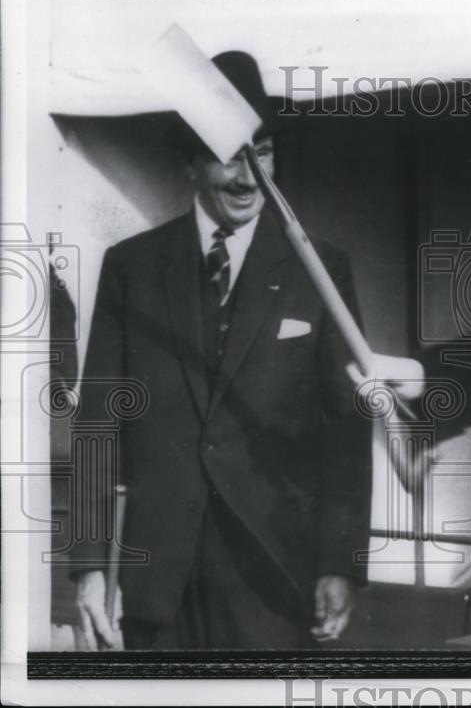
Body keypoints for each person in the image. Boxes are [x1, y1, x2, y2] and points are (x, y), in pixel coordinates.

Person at [70, 51, 423, 650]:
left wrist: (341, 563)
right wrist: (88, 565)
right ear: (189, 162)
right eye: (227, 157)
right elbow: (97, 423)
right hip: (159, 584)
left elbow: (344, 428)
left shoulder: (320, 268)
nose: (247, 178)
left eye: (261, 152)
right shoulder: (131, 269)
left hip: (275, 582)